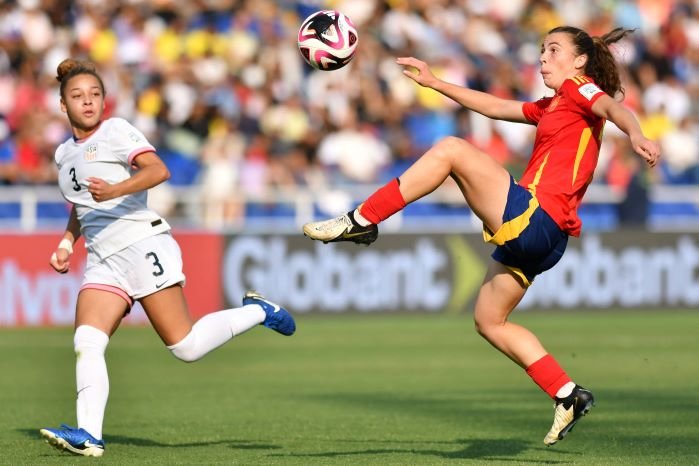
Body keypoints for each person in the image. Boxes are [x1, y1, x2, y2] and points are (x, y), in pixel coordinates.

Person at [303, 26, 660, 445]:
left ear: (579, 61)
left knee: (452, 149)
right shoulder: (554, 105)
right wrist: (435, 83)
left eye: (554, 50)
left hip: (537, 216)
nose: (543, 57)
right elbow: (494, 106)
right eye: (542, 49)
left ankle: (363, 218)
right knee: (490, 321)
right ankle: (568, 394)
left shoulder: (580, 88)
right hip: (549, 237)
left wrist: (635, 133)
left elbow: (615, 110)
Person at [39, 58, 296, 458]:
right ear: (62, 104)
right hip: (103, 259)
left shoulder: (117, 131)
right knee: (86, 341)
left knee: (187, 347)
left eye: (94, 95)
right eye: (77, 96)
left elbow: (158, 170)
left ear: (104, 101)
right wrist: (67, 244)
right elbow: (81, 203)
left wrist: (117, 188)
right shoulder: (62, 155)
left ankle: (260, 311)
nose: (87, 102)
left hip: (142, 244)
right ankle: (89, 434)